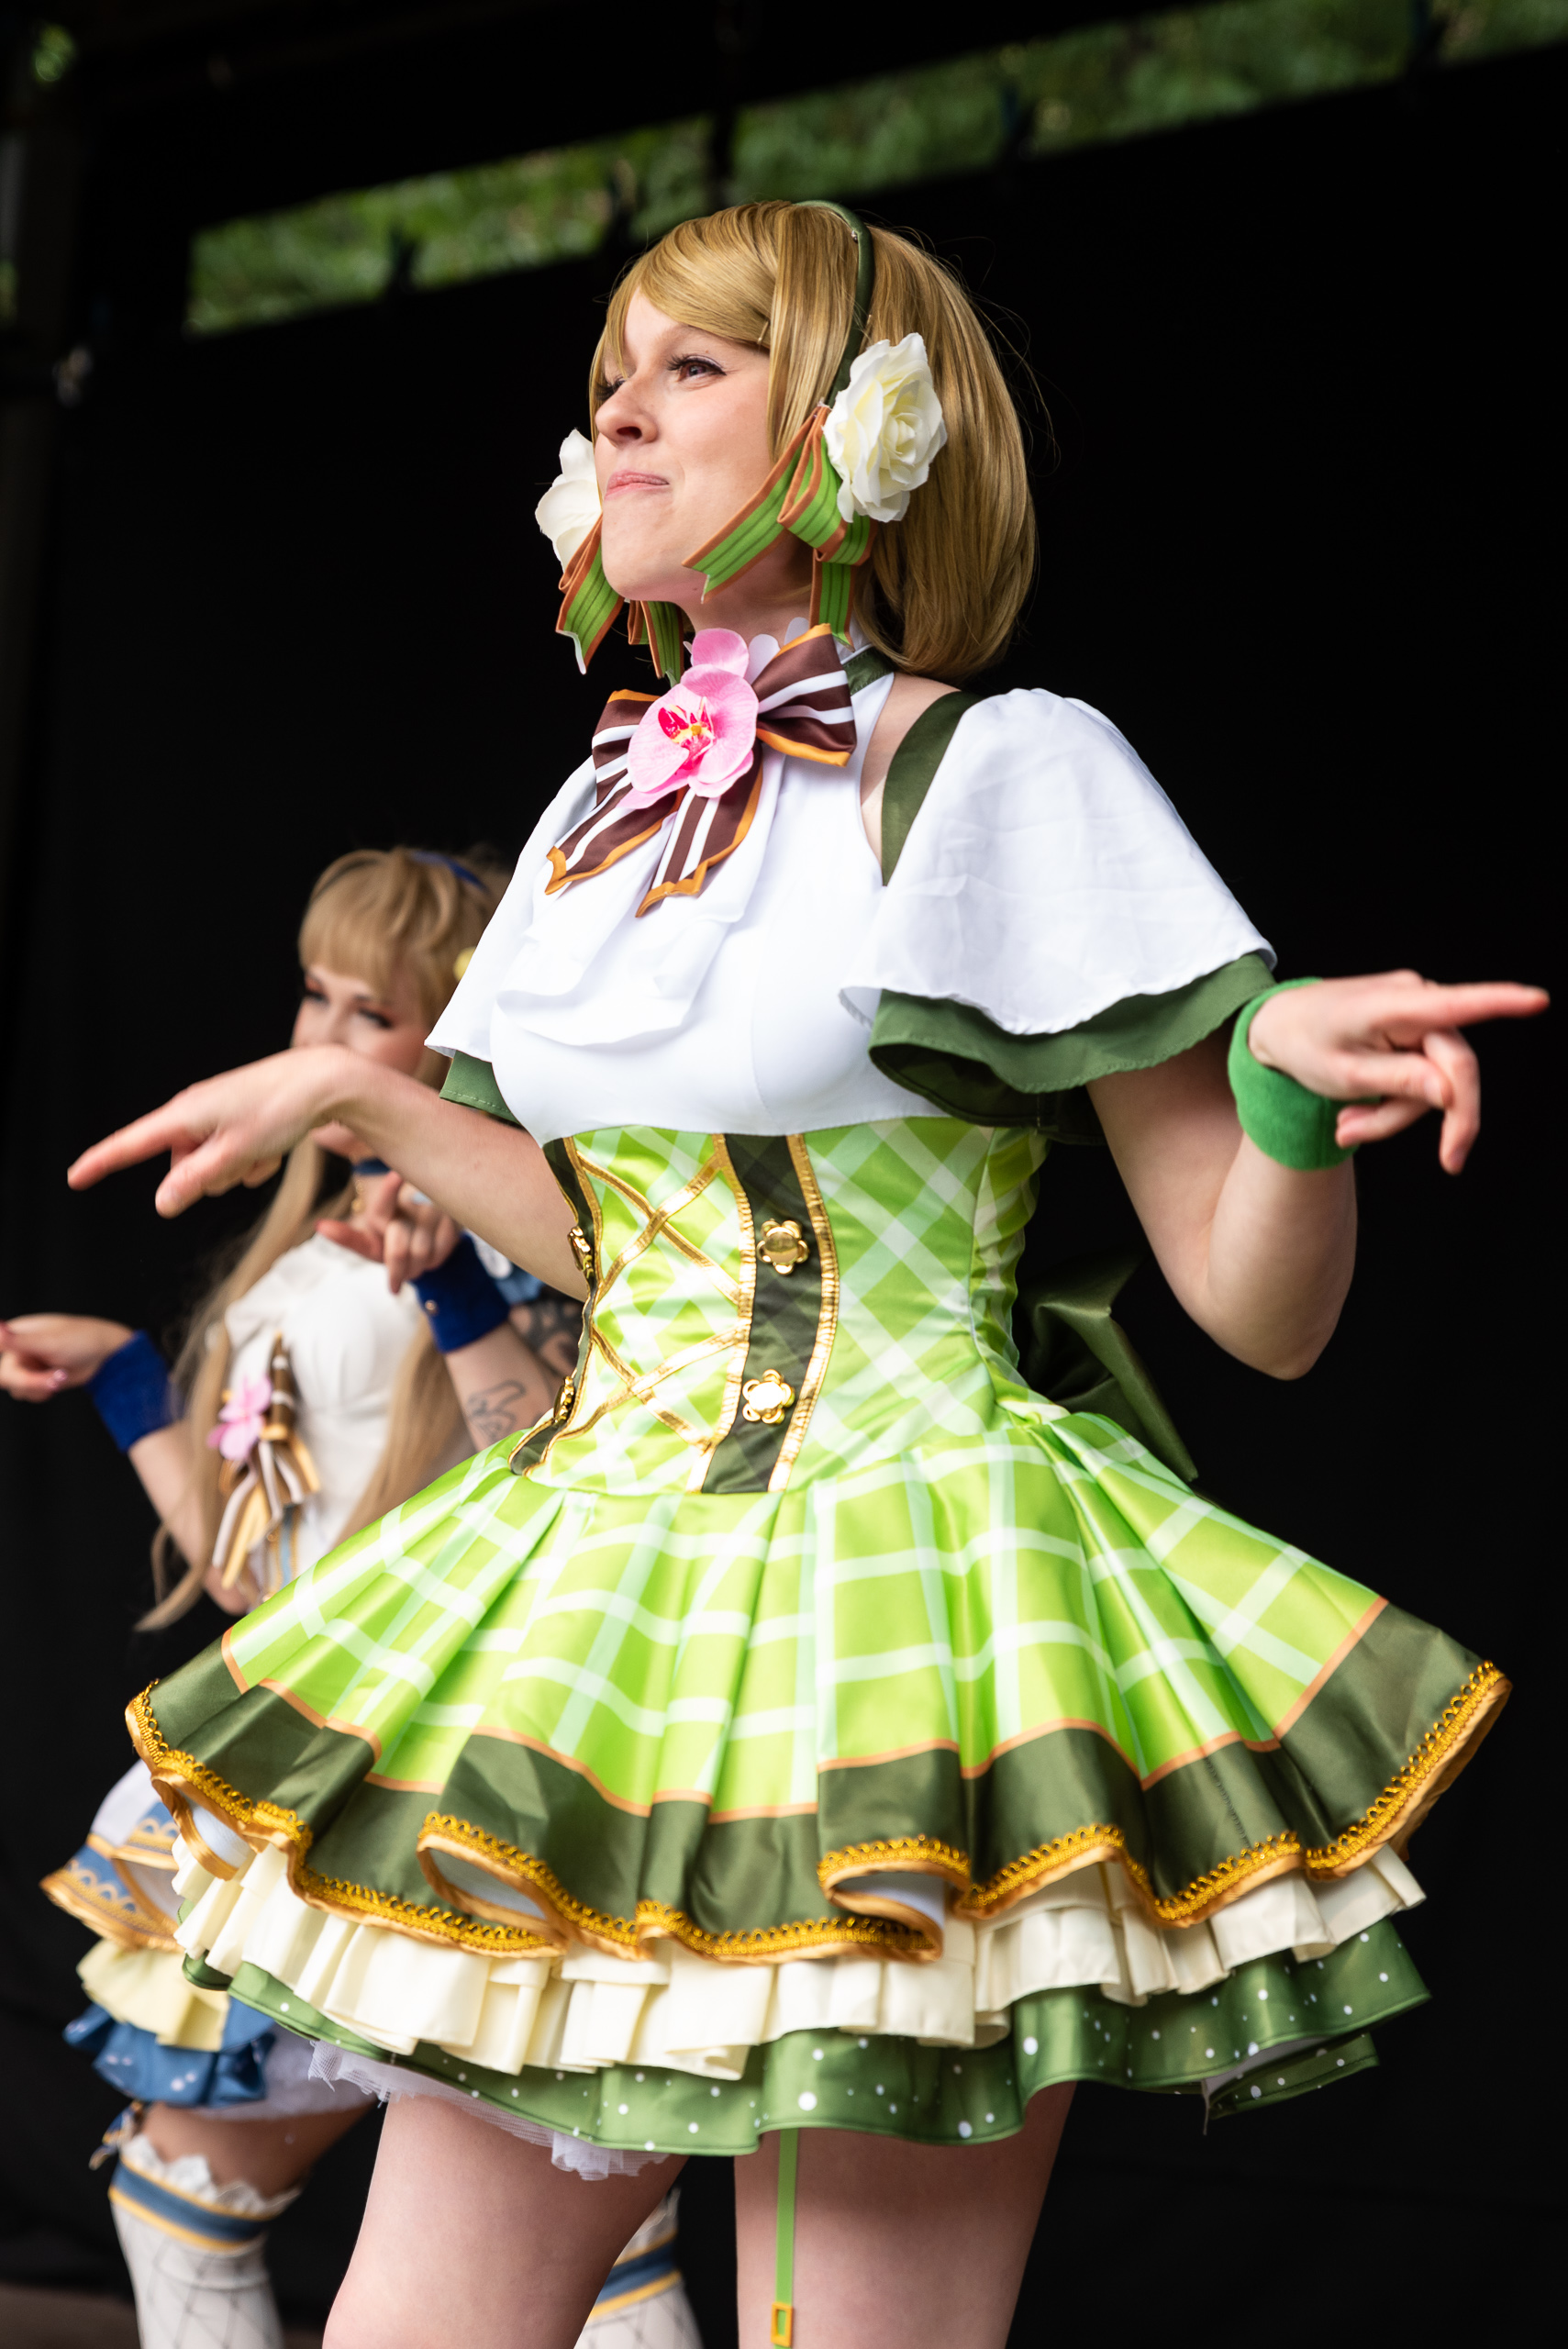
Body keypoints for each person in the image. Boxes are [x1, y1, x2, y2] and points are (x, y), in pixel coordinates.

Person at [60, 201, 1547, 2349]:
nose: (621, 416)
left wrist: (1281, 1092)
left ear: (864, 426)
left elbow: (1264, 1309)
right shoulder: (594, 814)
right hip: (594, 1605)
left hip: (901, 1603)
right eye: (609, 380)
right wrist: (360, 1102)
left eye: (694, 367)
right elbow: (612, 1247)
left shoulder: (1003, 767)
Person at [2, 847, 694, 2349]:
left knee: (569, 2211)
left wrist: (454, 1287)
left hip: (449, 1771)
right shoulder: (306, 1255)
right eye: (313, 995)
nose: (318, 1037)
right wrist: (126, 1380)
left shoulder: (523, 1234)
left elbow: (560, 1478)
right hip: (318, 1750)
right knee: (557, 2218)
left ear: (458, 1039)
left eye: (368, 1012)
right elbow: (253, 1575)